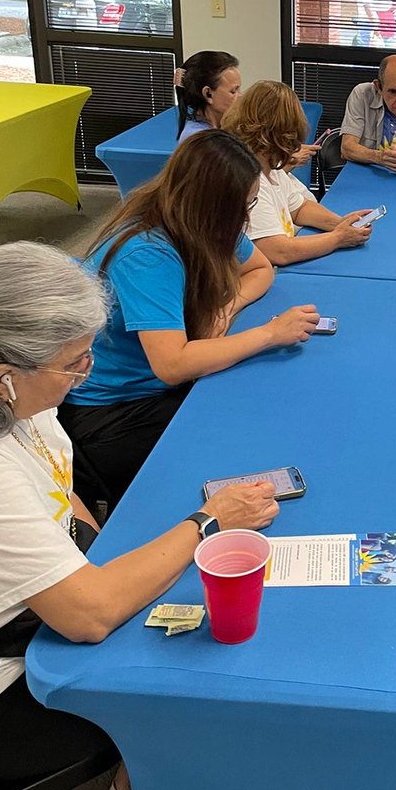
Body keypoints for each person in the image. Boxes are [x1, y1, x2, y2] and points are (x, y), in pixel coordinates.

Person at [0, 241, 280, 790]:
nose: (87, 373)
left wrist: (119, 570)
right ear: (2, 375)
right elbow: (87, 616)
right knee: (204, 688)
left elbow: (69, 502)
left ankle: (133, 781)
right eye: (73, 362)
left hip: (33, 619)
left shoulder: (24, 406)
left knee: (184, 621)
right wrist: (207, 521)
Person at [58, 130, 320, 512]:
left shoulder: (208, 223)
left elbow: (260, 269)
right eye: (241, 207)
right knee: (233, 454)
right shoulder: (146, 253)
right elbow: (172, 365)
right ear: (211, 204)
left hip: (160, 380)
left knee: (263, 406)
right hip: (115, 407)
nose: (246, 217)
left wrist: (224, 308)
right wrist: (268, 334)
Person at [222, 80, 374, 265]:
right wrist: (338, 238)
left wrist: (339, 223)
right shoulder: (250, 181)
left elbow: (299, 208)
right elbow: (279, 251)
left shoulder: (271, 166)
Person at [175, 50, 242, 141]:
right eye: (233, 91)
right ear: (208, 94)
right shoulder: (200, 140)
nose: (240, 96)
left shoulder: (224, 128)